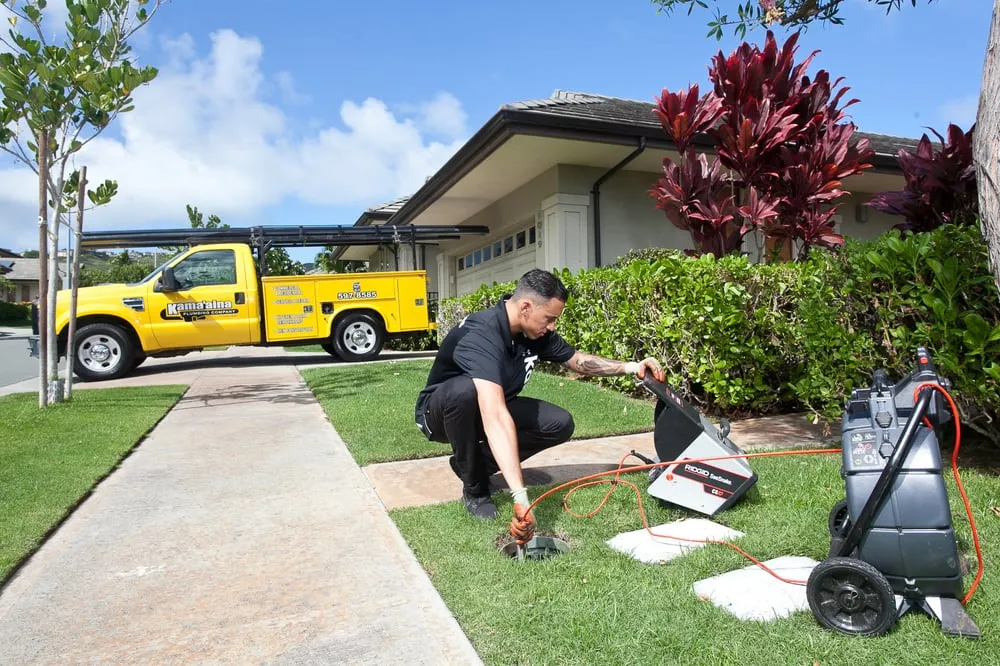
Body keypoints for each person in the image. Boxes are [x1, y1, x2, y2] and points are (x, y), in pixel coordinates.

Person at [414, 268, 664, 544]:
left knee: (558, 423)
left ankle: (475, 464)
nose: (552, 326)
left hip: (489, 405)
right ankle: (474, 488)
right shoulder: (482, 333)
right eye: (550, 319)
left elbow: (578, 361)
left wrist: (631, 367)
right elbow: (494, 414)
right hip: (440, 413)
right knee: (463, 391)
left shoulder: (534, 332)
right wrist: (520, 496)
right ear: (525, 307)